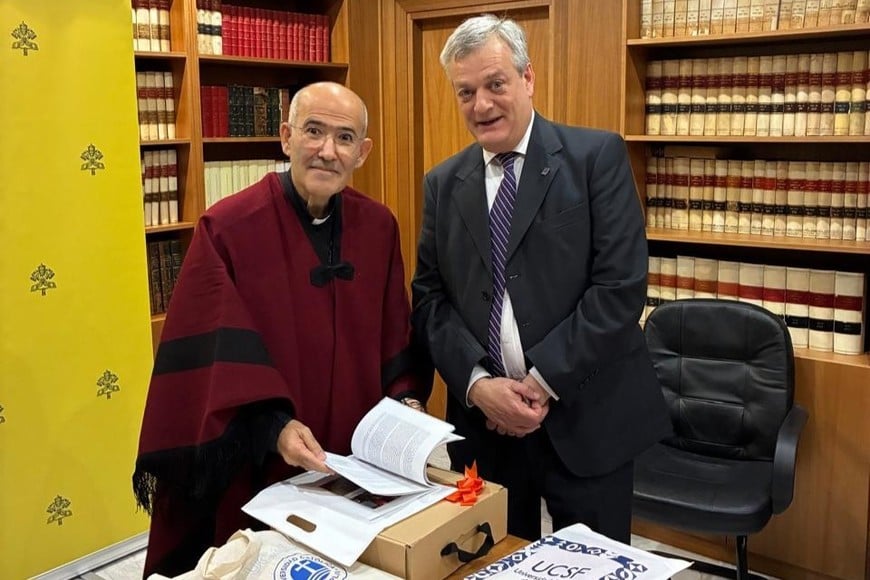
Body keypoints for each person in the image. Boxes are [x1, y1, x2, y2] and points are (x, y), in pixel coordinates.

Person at [133, 82, 429, 577]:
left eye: (345, 138)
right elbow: (210, 363)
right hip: (258, 467)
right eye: (314, 131)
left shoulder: (379, 227)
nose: (327, 151)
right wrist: (273, 428)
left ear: (363, 152)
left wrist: (407, 404)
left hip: (355, 468)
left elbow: (395, 335)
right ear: (287, 136)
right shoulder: (226, 228)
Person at [411, 15, 671, 543]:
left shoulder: (595, 157)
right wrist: (479, 386)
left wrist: (539, 383)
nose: (481, 105)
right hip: (487, 431)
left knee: (594, 568)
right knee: (492, 563)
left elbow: (619, 288)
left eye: (495, 84)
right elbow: (430, 300)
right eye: (465, 92)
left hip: (590, 420)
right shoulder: (442, 183)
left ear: (528, 78)